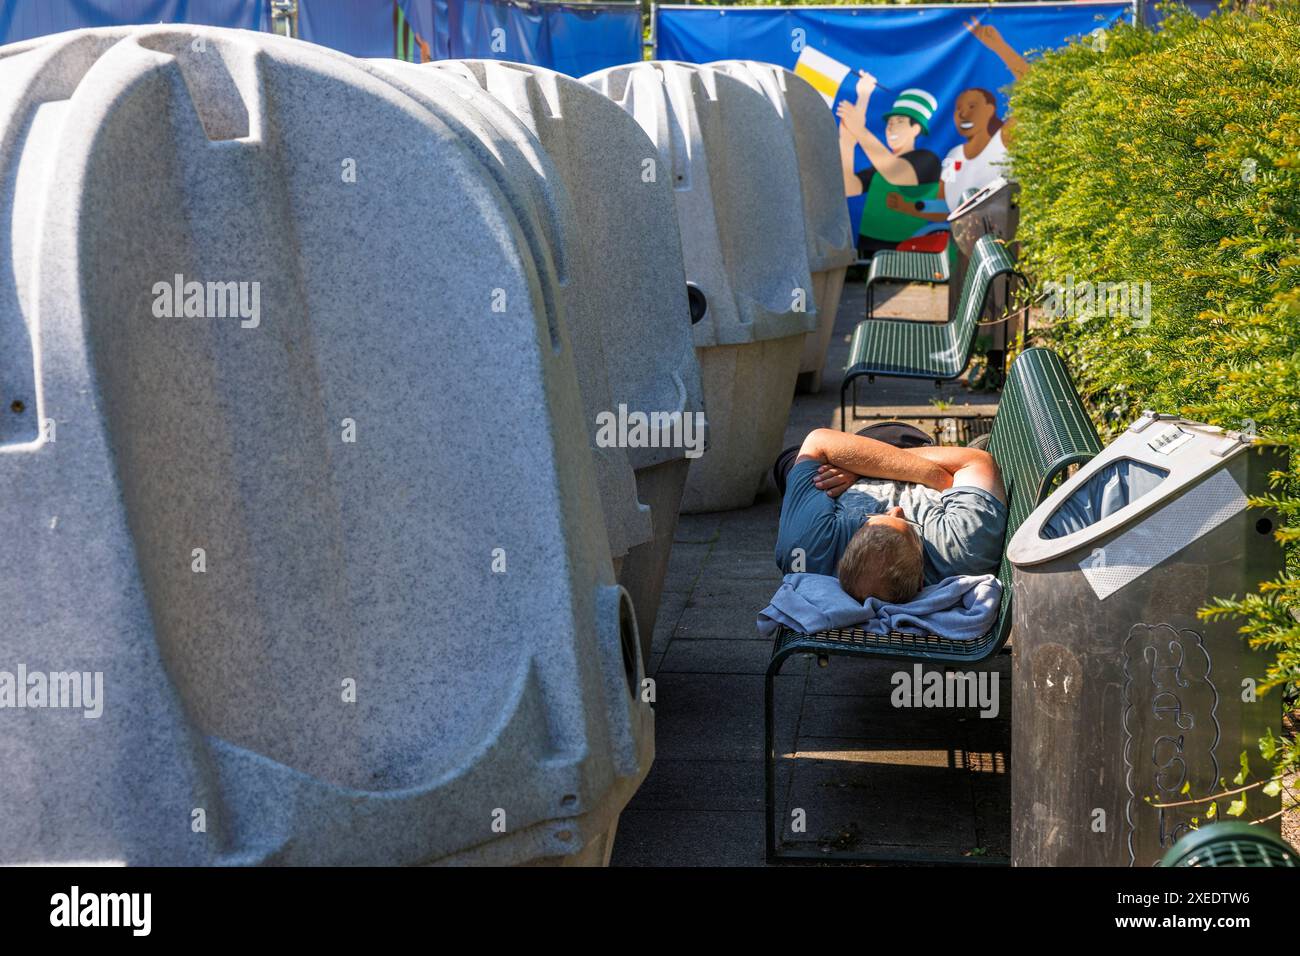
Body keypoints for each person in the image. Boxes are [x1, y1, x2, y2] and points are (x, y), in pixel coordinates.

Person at [773, 426, 1007, 604]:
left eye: (870, 520)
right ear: (921, 583)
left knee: (788, 461)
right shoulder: (962, 549)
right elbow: (976, 461)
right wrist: (933, 476)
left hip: (857, 453)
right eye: (906, 524)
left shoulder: (804, 551)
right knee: (900, 436)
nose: (897, 510)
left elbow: (818, 441)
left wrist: (860, 466)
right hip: (912, 448)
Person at [835, 73, 942, 256]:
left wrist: (859, 130)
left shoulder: (927, 160)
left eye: (900, 122)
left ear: (915, 129)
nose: (891, 127)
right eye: (889, 123)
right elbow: (848, 187)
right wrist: (846, 141)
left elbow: (896, 174)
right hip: (871, 250)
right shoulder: (881, 168)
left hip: (909, 253)